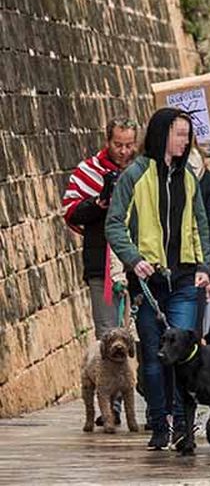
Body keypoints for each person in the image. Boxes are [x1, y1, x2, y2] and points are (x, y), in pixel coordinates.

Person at [103, 108, 210, 450]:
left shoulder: (190, 177)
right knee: (152, 356)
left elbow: (201, 224)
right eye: (180, 133)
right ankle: (158, 420)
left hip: (183, 279)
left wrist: (205, 267)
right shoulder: (134, 175)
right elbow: (114, 224)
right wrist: (134, 260)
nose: (185, 140)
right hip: (147, 283)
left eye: (187, 134)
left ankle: (181, 423)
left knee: (180, 352)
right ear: (163, 133)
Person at [63, 118, 140, 336]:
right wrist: (98, 203)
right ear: (107, 141)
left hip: (140, 263)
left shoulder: (143, 170)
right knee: (109, 337)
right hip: (101, 264)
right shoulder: (88, 171)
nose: (124, 151)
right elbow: (71, 212)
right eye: (118, 145)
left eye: (129, 145)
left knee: (144, 336)